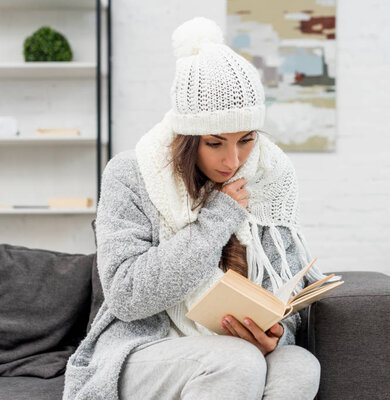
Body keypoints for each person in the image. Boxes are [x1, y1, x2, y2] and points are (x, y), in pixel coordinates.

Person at [62, 16, 335, 400]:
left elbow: (280, 293)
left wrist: (273, 335)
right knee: (236, 361)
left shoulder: (271, 178)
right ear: (187, 137)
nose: (233, 160)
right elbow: (126, 296)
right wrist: (217, 220)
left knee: (299, 365)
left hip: (237, 349)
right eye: (215, 143)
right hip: (143, 349)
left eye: (246, 139)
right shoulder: (131, 174)